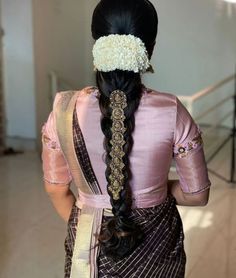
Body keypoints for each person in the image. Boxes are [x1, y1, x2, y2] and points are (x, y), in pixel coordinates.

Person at [41, 0, 211, 277]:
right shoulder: (171, 110)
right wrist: (154, 190)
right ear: (150, 48)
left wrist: (91, 225)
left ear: (96, 44)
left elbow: (56, 190)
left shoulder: (63, 110)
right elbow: (197, 195)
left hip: (89, 239)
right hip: (157, 242)